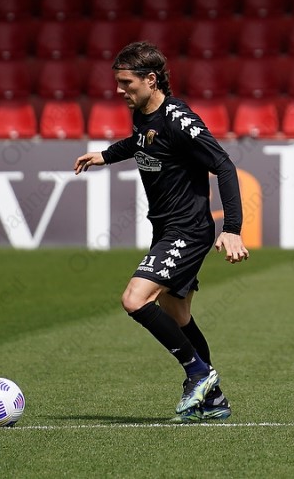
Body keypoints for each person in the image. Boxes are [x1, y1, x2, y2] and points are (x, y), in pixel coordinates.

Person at [74, 41, 249, 421]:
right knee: (177, 314)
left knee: (134, 299)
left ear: (151, 79)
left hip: (188, 229)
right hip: (167, 228)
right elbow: (143, 142)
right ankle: (214, 400)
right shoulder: (142, 113)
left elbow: (223, 165)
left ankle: (198, 373)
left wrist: (233, 228)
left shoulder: (179, 119)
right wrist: (106, 155)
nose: (119, 90)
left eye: (126, 83)